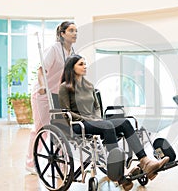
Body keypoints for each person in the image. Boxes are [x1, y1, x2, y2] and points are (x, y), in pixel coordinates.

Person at [58, 54, 170, 190]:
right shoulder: (65, 87)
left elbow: (97, 106)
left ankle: (145, 161)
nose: (85, 66)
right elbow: (66, 112)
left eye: (85, 63)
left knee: (125, 123)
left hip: (96, 122)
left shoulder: (89, 85)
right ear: (72, 67)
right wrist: (88, 119)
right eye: (81, 64)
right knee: (108, 125)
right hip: (78, 124)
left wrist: (97, 118)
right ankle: (119, 175)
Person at [25, 21, 77, 174]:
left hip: (58, 96)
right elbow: (41, 70)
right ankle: (30, 162)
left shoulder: (73, 52)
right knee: (41, 128)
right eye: (71, 30)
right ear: (62, 34)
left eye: (76, 31)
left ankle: (60, 163)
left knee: (60, 129)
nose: (75, 33)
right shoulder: (54, 49)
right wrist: (42, 86)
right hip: (42, 95)